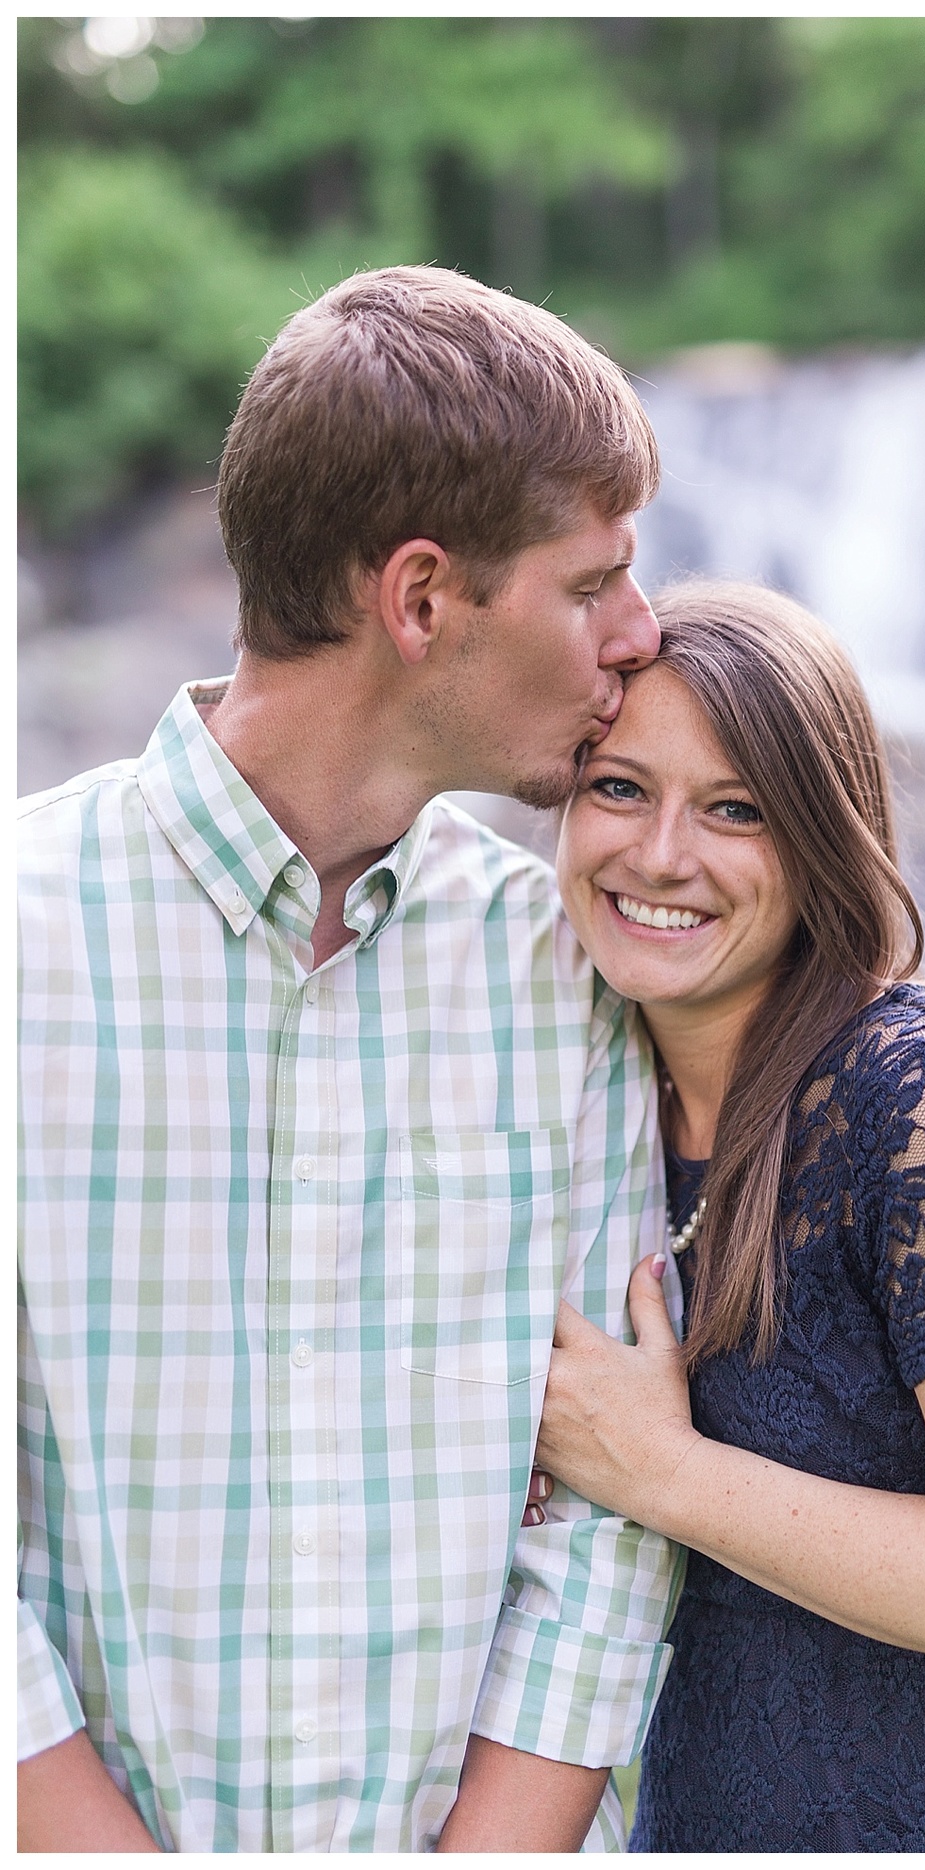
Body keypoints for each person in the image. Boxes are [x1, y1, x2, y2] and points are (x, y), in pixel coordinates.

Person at [17, 267, 680, 1850]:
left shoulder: (562, 969)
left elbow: (601, 1522)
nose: (639, 637)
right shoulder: (18, 936)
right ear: (423, 598)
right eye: (593, 584)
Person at [528, 579, 925, 1852]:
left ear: (823, 836)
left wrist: (664, 1471)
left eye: (734, 810)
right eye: (618, 788)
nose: (659, 855)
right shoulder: (578, 1094)